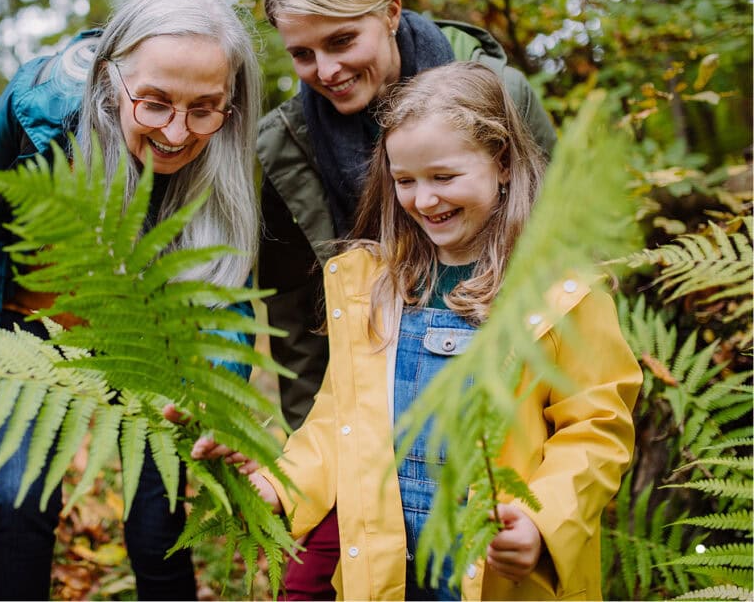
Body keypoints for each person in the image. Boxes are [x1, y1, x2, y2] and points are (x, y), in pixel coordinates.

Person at [249, 61, 642, 600]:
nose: (424, 200)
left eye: (444, 177)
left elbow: (594, 431)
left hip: (494, 566)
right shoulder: (375, 287)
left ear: (501, 162)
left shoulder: (562, 294)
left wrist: (540, 521)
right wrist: (277, 483)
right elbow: (338, 422)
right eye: (405, 181)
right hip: (389, 563)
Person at [253, 0, 558, 599]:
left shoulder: (499, 95)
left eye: (341, 41)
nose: (325, 71)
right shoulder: (282, 146)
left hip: (490, 408)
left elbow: (560, 251)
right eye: (302, 54)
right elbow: (298, 316)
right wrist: (318, 464)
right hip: (361, 404)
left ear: (391, 11)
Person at [0, 0, 262, 601]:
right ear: (111, 81)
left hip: (153, 331)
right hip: (37, 321)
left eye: (204, 108)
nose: (177, 132)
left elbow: (226, 287)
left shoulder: (225, 144)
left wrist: (214, 391)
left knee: (158, 515)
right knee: (18, 495)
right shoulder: (39, 107)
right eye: (156, 103)